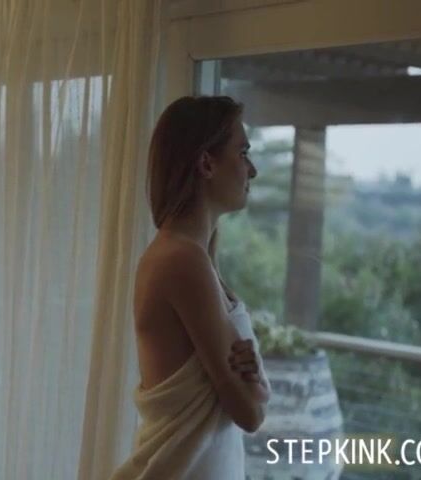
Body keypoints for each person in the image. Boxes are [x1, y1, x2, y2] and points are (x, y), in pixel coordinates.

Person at [111, 96, 270, 479]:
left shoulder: (197, 258)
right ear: (206, 163)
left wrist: (254, 377)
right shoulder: (182, 261)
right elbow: (250, 412)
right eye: (243, 153)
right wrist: (257, 378)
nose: (252, 169)